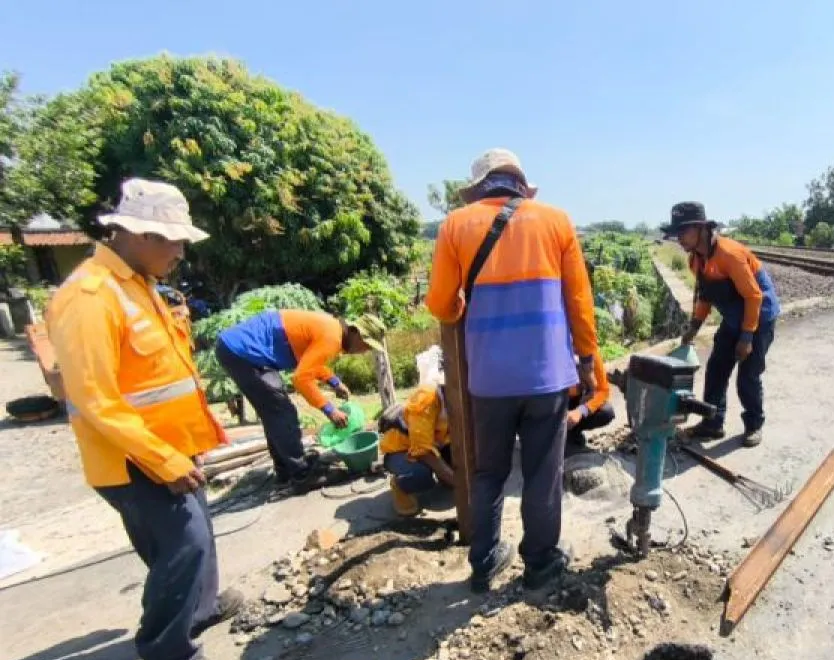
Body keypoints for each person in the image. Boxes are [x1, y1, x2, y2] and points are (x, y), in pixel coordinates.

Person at [46, 177, 242, 660]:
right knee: (183, 543)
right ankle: (165, 650)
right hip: (132, 458)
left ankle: (199, 607)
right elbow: (95, 399)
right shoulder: (89, 297)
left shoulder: (141, 286)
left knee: (197, 530)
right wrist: (163, 459)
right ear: (138, 235)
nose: (180, 251)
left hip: (171, 447)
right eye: (173, 241)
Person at [426, 148, 600, 593]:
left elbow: (442, 305)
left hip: (488, 379)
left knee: (489, 472)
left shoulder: (455, 225)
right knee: (543, 471)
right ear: (521, 183)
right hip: (547, 377)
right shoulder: (556, 221)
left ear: (481, 184)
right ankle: (540, 564)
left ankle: (484, 563)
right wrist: (586, 361)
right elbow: (579, 303)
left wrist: (470, 300)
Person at [214, 310, 386, 490]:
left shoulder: (332, 330)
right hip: (242, 352)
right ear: (355, 332)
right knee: (282, 412)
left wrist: (333, 381)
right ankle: (302, 475)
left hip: (239, 349)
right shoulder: (332, 338)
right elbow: (301, 378)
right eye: (366, 345)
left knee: (274, 413)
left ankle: (286, 471)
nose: (364, 351)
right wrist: (329, 410)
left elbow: (309, 362)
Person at [664, 201, 780, 448]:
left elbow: (753, 296)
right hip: (733, 318)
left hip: (758, 317)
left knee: (747, 376)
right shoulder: (696, 261)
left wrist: (747, 337)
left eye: (683, 231)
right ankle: (712, 424)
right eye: (677, 233)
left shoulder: (730, 254)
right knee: (716, 369)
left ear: (701, 229)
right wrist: (695, 325)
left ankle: (754, 424)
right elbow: (706, 295)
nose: (679, 238)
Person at [379, 384, 454, 517]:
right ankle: (400, 485)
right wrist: (451, 476)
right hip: (400, 451)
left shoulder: (458, 399)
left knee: (452, 467)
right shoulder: (426, 398)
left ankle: (443, 476)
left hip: (435, 446)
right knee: (423, 476)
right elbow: (422, 450)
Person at [566, 353, 615, 449]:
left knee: (606, 412)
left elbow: (603, 391)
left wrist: (581, 410)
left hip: (579, 400)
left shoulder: (588, 350)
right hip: (554, 402)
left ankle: (571, 433)